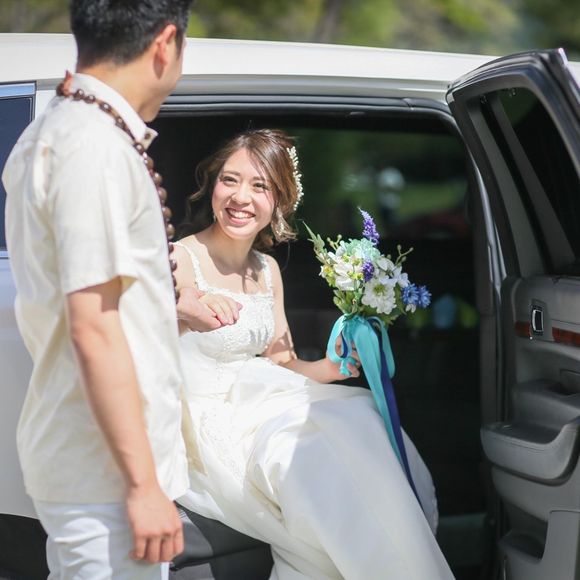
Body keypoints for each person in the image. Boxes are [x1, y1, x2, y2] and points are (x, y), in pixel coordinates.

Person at [173, 129, 455, 579]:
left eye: (259, 186)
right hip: (209, 420)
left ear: (279, 201)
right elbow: (146, 313)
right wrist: (188, 302)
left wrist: (332, 366)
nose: (240, 197)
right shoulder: (178, 260)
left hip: (263, 398)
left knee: (360, 416)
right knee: (305, 451)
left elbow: (282, 362)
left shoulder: (267, 270)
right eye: (230, 180)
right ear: (212, 185)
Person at [0, 1, 213, 578]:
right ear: (165, 44)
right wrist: (142, 485)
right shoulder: (92, 148)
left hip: (100, 469)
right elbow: (93, 326)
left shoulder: (68, 131)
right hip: (105, 478)